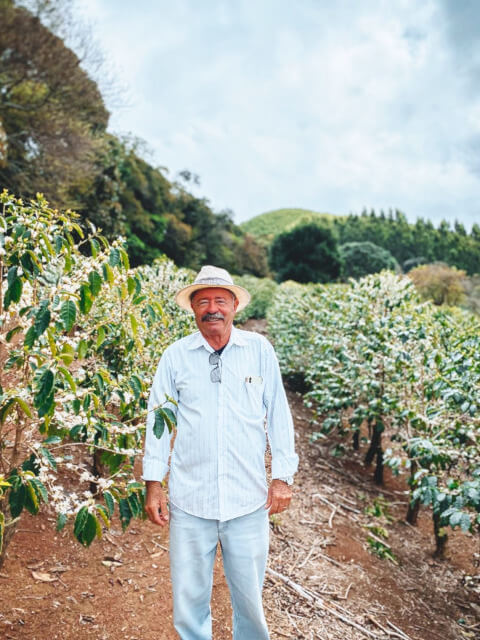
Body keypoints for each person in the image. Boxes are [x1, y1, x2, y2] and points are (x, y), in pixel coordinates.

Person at [143, 265, 298, 640]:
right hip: (190, 500)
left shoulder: (258, 350)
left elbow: (279, 413)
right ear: (193, 309)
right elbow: (158, 420)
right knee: (189, 598)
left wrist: (282, 477)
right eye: (204, 302)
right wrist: (153, 483)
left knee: (249, 599)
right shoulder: (176, 356)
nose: (212, 309)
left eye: (220, 301)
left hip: (247, 501)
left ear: (234, 307)